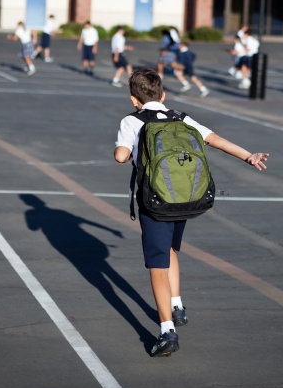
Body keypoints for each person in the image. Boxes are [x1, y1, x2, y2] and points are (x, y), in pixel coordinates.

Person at [114, 68, 269, 357]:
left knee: (157, 264)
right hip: (183, 196)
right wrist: (248, 156)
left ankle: (167, 330)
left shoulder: (132, 121)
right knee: (170, 249)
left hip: (155, 202)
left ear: (134, 99)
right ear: (163, 94)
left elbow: (122, 156)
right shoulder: (181, 118)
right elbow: (215, 139)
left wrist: (124, 148)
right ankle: (177, 304)